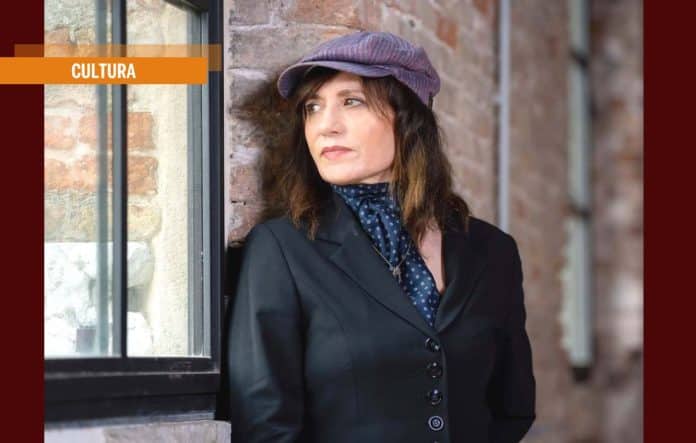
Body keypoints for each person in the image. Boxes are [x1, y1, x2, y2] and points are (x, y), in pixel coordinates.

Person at [227, 31, 536, 443]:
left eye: (351, 102)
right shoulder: (282, 249)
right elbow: (264, 426)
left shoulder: (492, 251)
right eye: (312, 108)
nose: (326, 127)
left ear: (408, 117)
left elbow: (513, 408)